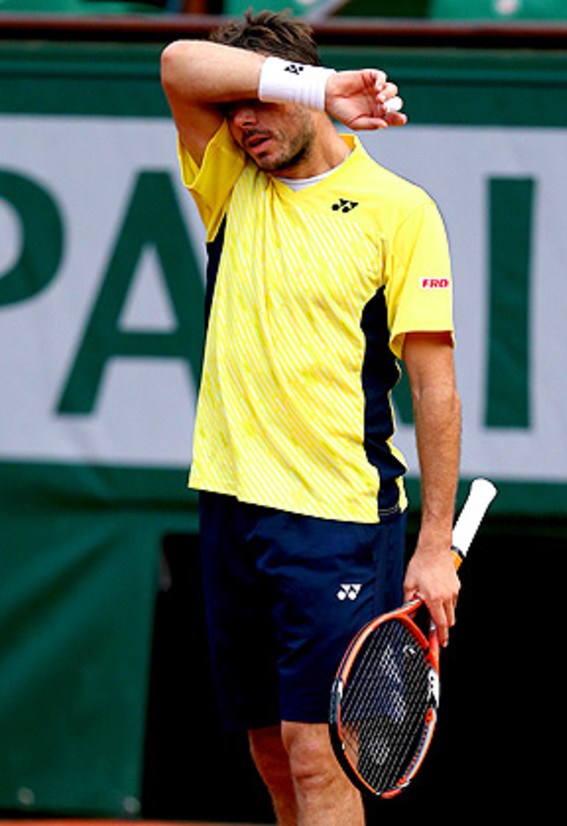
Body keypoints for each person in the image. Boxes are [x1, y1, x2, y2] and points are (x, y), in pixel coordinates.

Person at [160, 12, 461, 825]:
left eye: (258, 103)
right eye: (233, 108)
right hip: (229, 502)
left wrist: (435, 545)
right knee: (270, 751)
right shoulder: (226, 182)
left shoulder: (401, 211)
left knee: (320, 756)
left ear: (301, 99)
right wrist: (320, 88)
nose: (243, 124)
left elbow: (436, 387)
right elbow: (177, 62)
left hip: (335, 518)